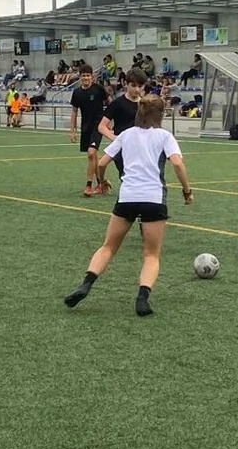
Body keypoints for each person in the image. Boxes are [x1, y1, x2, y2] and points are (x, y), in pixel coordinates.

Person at [64, 95, 192, 317]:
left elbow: (102, 162)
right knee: (151, 254)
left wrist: (102, 181)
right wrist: (186, 191)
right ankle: (142, 299)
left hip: (127, 197)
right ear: (161, 115)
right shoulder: (164, 136)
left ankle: (86, 284)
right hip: (153, 198)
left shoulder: (126, 135)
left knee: (108, 247)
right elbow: (178, 164)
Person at [98, 67, 147, 179]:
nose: (137, 89)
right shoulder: (117, 103)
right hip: (123, 149)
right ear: (126, 84)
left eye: (140, 86)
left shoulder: (145, 104)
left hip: (141, 148)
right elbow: (101, 126)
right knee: (127, 178)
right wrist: (116, 139)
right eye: (133, 85)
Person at [69, 64, 108, 197]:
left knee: (91, 153)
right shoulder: (77, 93)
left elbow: (110, 103)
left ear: (92, 77)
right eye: (83, 75)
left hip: (98, 126)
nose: (86, 78)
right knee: (93, 156)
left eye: (88, 75)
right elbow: (74, 111)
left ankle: (88, 186)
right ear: (80, 77)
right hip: (85, 127)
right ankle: (101, 184)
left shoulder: (98, 89)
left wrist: (109, 121)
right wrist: (72, 130)